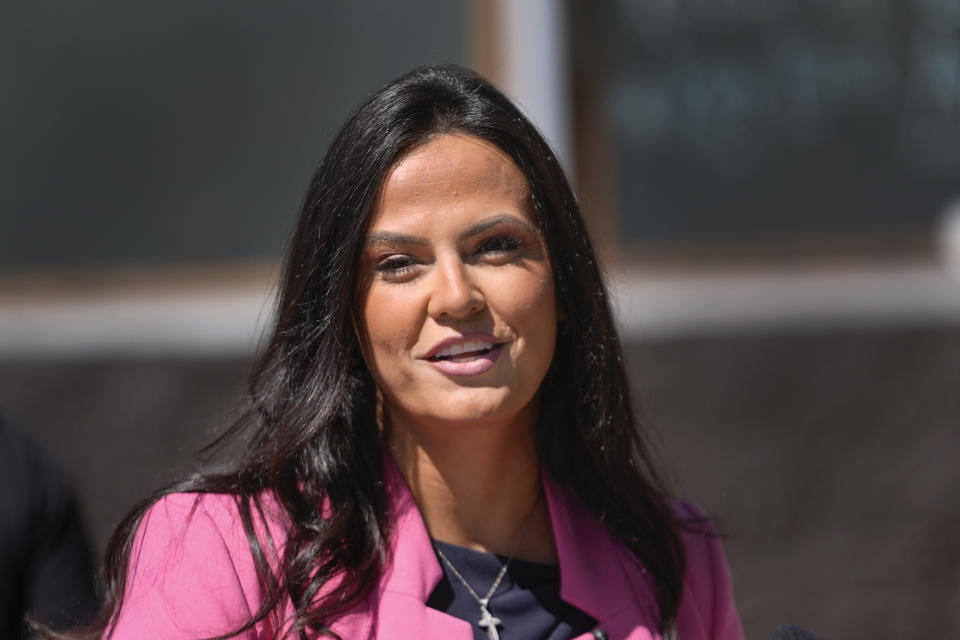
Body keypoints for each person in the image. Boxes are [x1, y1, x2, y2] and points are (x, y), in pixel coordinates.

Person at [82, 63, 742, 640]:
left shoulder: (671, 562)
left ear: (563, 285)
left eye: (497, 247)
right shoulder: (225, 550)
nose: (456, 297)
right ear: (343, 311)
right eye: (399, 263)